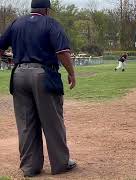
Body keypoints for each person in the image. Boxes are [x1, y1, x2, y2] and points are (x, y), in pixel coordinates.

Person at [0, 0, 77, 177]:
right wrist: (72, 73)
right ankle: (60, 164)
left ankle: (30, 167)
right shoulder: (50, 23)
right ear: (46, 9)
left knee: (26, 123)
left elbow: (1, 46)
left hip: (18, 75)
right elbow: (62, 52)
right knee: (52, 122)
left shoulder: (16, 23)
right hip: (43, 74)